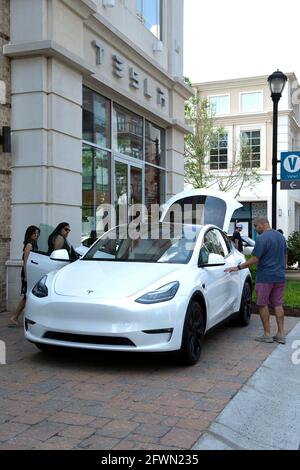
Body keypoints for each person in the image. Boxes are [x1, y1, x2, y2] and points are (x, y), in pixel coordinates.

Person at [225, 217, 287, 344]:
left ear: (263, 224)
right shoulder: (280, 237)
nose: (255, 228)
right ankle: (281, 334)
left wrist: (237, 267)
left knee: (262, 304)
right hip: (279, 276)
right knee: (278, 304)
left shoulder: (262, 238)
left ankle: (267, 334)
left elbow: (254, 259)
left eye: (256, 225)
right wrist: (281, 269)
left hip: (265, 277)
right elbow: (285, 255)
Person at [9, 225, 40, 327]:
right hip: (27, 273)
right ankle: (14, 317)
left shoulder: (33, 244)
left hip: (30, 273)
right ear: (30, 234)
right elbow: (26, 262)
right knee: (26, 296)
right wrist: (27, 277)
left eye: (37, 233)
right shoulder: (29, 245)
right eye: (34, 233)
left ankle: (17, 317)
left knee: (27, 296)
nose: (36, 235)